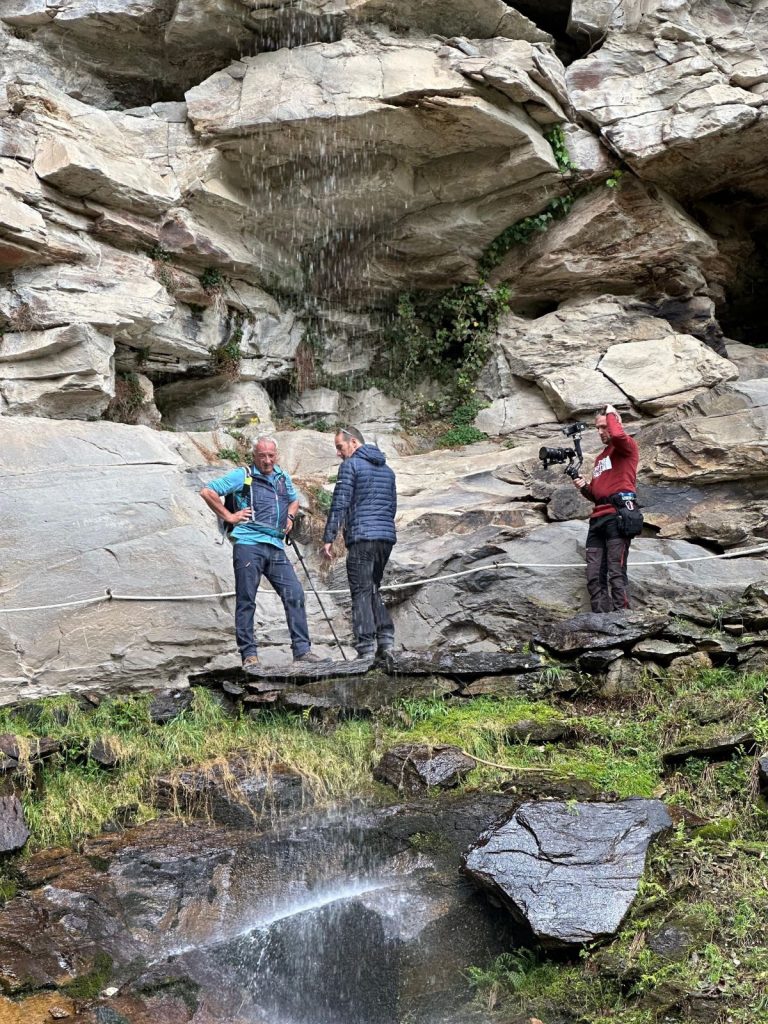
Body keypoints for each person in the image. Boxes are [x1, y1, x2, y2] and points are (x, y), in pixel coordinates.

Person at [200, 435, 323, 668]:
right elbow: (207, 491)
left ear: (276, 456)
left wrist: (289, 516)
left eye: (271, 455)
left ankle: (302, 651)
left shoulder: (282, 477)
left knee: (295, 593)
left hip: (275, 545)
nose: (267, 460)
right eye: (262, 456)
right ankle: (249, 655)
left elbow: (294, 500)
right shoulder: (242, 475)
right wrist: (229, 516)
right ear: (254, 456)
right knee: (247, 599)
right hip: (248, 544)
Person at [322, 426, 397, 662]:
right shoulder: (388, 470)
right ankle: (385, 640)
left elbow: (340, 503)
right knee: (373, 586)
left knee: (360, 590)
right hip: (385, 538)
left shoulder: (350, 466)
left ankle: (365, 647)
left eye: (340, 447)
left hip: (362, 537)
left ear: (353, 442)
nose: (338, 453)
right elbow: (392, 507)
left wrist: (329, 537)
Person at [572, 404, 639, 613]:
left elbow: (618, 436)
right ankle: (601, 621)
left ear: (614, 422)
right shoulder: (601, 458)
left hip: (618, 516)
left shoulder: (626, 447)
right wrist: (584, 487)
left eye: (604, 426)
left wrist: (611, 412)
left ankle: (623, 620)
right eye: (597, 428)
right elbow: (597, 495)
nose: (600, 432)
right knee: (593, 574)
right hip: (598, 519)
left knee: (616, 571)